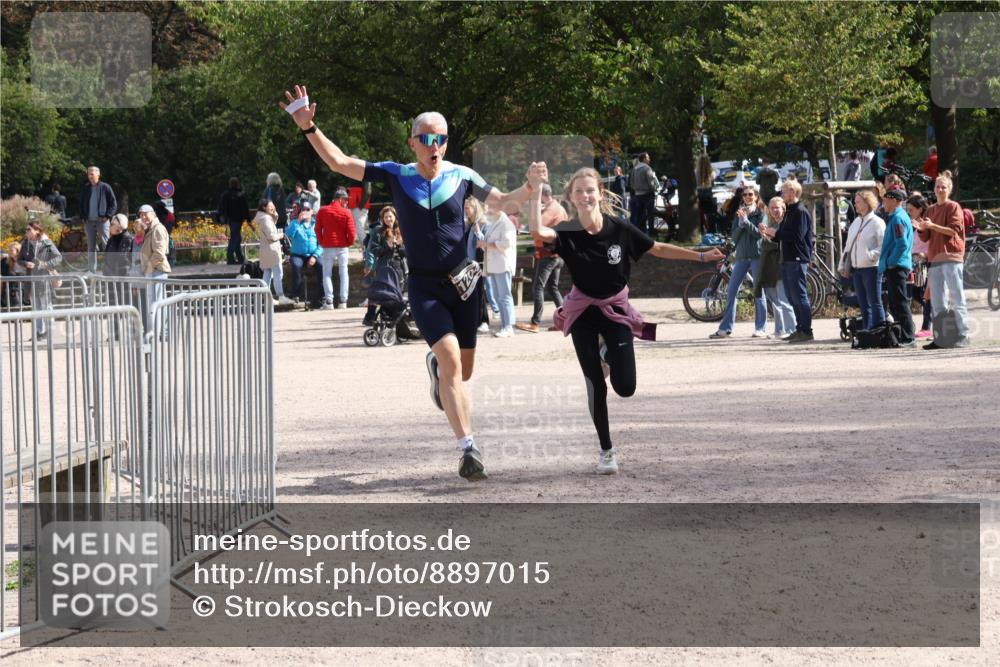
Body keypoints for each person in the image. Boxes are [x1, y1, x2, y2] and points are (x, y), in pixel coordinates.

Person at [282, 84, 535, 480]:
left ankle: (437, 369)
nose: (435, 145)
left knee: (462, 372)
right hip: (425, 286)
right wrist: (308, 128)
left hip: (465, 286)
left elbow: (502, 201)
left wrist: (530, 188)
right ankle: (468, 449)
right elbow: (341, 163)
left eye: (441, 138)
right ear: (413, 143)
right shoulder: (396, 175)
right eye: (427, 138)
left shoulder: (463, 175)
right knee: (453, 362)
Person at [527, 164, 723, 474]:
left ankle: (609, 352)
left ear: (600, 193)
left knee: (626, 386)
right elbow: (537, 232)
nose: (585, 196)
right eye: (579, 191)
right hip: (582, 313)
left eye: (590, 190)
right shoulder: (567, 232)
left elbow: (657, 247)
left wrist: (700, 256)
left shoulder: (619, 228)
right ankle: (606, 450)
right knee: (595, 383)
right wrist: (536, 188)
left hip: (615, 310)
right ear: (572, 197)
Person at [913, 170, 969, 349]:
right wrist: (921, 228)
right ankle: (940, 337)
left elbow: (953, 231)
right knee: (937, 301)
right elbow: (926, 237)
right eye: (938, 187)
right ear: (934, 189)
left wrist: (932, 225)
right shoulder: (930, 209)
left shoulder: (954, 207)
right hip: (935, 258)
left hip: (951, 256)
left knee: (956, 296)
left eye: (944, 187)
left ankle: (963, 334)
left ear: (949, 189)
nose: (940, 189)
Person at [760, 178, 814, 342]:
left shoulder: (800, 212)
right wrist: (770, 234)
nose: (782, 193)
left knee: (799, 296)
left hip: (797, 259)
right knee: (791, 296)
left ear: (793, 192)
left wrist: (775, 233)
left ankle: (806, 331)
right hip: (787, 258)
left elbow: (797, 237)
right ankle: (799, 329)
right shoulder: (790, 211)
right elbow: (782, 238)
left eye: (784, 191)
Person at [710, 186, 768, 338]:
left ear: (756, 196)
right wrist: (741, 224)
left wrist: (746, 222)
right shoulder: (739, 214)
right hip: (741, 256)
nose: (748, 197)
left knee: (758, 292)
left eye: (751, 194)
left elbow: (759, 234)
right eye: (745, 195)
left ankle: (761, 327)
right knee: (731, 290)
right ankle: (726, 328)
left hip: (756, 255)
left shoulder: (761, 213)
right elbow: (734, 236)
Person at [515, 183, 568, 333]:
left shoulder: (551, 209)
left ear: (542, 195)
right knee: (553, 288)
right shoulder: (559, 208)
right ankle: (565, 320)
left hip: (548, 254)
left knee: (538, 287)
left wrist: (534, 213)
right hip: (557, 254)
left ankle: (535, 323)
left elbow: (534, 227)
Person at [838, 190, 886, 331]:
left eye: (858, 201)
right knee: (863, 303)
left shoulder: (877, 222)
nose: (855, 203)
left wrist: (871, 255)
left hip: (871, 268)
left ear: (867, 203)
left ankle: (880, 330)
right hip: (857, 269)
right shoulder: (856, 221)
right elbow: (848, 245)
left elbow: (883, 245)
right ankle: (867, 331)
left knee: (874, 301)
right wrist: (842, 264)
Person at [878, 188, 916, 345]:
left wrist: (890, 262)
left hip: (897, 267)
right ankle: (902, 335)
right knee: (895, 302)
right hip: (896, 266)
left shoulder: (898, 219)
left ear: (894, 200)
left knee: (900, 302)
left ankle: (908, 337)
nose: (883, 203)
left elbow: (901, 244)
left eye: (886, 199)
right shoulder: (896, 217)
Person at [755, 197, 797, 338]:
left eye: (777, 207)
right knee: (774, 300)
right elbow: (768, 243)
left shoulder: (786, 223)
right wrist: (765, 233)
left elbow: (782, 243)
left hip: (781, 265)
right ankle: (780, 330)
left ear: (783, 208)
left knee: (784, 300)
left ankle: (791, 330)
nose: (774, 210)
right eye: (772, 208)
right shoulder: (773, 222)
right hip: (770, 265)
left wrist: (770, 234)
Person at [18, 221, 63, 340]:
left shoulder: (46, 243)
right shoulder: (25, 243)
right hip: (31, 279)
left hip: (44, 279)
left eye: (29, 229)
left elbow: (58, 257)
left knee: (46, 305)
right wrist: (26, 263)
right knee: (36, 307)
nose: (26, 232)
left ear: (37, 230)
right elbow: (19, 260)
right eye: (26, 229)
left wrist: (45, 264)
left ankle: (49, 331)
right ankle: (40, 332)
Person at [363, 205, 407, 326]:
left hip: (398, 267)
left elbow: (406, 253)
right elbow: (373, 249)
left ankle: (395, 319)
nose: (388, 219)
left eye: (390, 216)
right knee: (382, 291)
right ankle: (373, 317)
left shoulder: (401, 231)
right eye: (386, 217)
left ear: (395, 217)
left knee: (397, 293)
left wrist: (400, 245)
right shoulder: (378, 231)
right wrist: (387, 245)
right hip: (384, 266)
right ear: (382, 219)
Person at [315, 187, 356, 309]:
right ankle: (343, 301)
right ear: (341, 199)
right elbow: (352, 232)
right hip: (342, 246)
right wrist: (348, 242)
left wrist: (322, 241)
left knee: (326, 273)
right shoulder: (346, 212)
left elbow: (317, 229)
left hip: (328, 245)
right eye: (346, 200)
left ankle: (329, 301)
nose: (347, 202)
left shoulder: (322, 211)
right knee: (344, 273)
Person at [481, 203, 517, 338]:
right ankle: (504, 326)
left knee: (504, 296)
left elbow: (505, 244)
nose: (490, 208)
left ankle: (508, 327)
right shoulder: (496, 222)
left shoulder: (506, 223)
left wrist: (486, 245)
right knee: (498, 297)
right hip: (495, 265)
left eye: (492, 206)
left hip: (502, 264)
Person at [137, 204, 171, 339]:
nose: (143, 217)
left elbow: (159, 254)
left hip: (156, 270)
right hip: (153, 270)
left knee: (157, 303)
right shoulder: (151, 228)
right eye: (141, 215)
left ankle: (159, 333)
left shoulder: (157, 229)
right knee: (157, 303)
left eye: (145, 214)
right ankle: (161, 332)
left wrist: (148, 268)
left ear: (153, 214)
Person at [78, 166, 117, 272]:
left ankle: (110, 268)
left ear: (98, 174)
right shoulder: (85, 188)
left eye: (92, 173)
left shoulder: (105, 187)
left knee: (106, 244)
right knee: (91, 247)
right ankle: (92, 271)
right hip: (89, 222)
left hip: (102, 221)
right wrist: (83, 217)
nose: (90, 175)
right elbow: (80, 204)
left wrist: (108, 216)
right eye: (88, 173)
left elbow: (113, 204)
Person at [285, 200, 323, 305]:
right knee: (296, 266)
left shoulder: (317, 224)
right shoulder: (295, 223)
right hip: (298, 254)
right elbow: (288, 234)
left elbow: (322, 243)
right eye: (303, 209)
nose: (305, 211)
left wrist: (315, 256)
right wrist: (297, 221)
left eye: (308, 209)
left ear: (312, 212)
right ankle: (295, 295)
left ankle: (322, 296)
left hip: (313, 254)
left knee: (321, 265)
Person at [255, 199, 292, 306]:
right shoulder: (266, 219)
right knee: (278, 273)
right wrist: (280, 235)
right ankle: (281, 296)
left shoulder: (263, 217)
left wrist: (275, 215)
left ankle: (266, 298)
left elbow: (271, 226)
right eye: (270, 206)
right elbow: (271, 236)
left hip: (266, 250)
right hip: (271, 250)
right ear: (264, 208)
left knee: (267, 273)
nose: (273, 207)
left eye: (273, 205)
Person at [463, 198, 492, 334]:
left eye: (467, 208)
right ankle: (476, 321)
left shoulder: (483, 223)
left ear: (474, 209)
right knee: (473, 294)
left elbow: (485, 243)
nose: (465, 210)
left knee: (480, 293)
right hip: (470, 263)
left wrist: (478, 231)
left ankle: (484, 321)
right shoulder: (469, 224)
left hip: (479, 263)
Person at [906, 193, 933, 338]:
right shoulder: (912, 224)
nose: (908, 213)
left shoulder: (926, 223)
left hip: (925, 262)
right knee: (918, 293)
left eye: (911, 210)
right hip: (914, 263)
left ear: (920, 209)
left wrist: (926, 255)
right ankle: (932, 317)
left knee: (924, 294)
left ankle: (926, 325)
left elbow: (933, 241)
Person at [219, 177, 252, 265]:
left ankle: (240, 258)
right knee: (235, 238)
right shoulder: (240, 195)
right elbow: (245, 209)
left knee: (237, 238)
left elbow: (221, 208)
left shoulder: (225, 195)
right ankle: (230, 258)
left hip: (230, 220)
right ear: (238, 184)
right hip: (237, 220)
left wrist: (223, 219)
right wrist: (249, 221)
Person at [628, 152, 658, 236]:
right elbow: (650, 182)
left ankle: (639, 233)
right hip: (647, 194)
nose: (649, 159)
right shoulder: (647, 168)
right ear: (644, 159)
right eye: (648, 158)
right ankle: (651, 232)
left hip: (638, 195)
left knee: (640, 216)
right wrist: (654, 189)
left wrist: (637, 189)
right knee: (650, 214)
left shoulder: (635, 169)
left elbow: (631, 182)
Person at [1, 242, 26, 309]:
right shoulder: (7, 262)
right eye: (8, 250)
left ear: (18, 251)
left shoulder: (24, 262)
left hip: (22, 289)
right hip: (11, 290)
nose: (9, 252)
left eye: (11, 250)